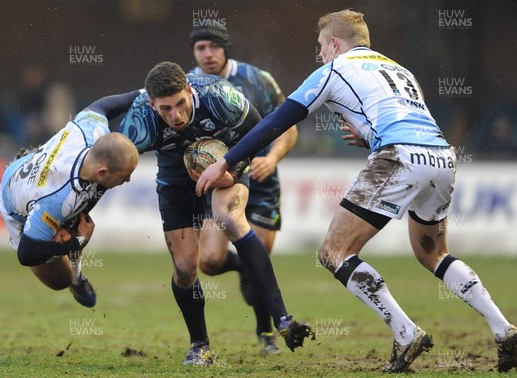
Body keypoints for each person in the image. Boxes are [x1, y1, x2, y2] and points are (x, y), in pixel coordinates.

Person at [196, 9, 517, 373]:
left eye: (321, 46)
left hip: (398, 156)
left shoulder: (333, 69)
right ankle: (503, 328)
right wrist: (368, 138)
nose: (319, 54)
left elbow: (277, 121)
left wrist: (226, 162)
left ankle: (406, 332)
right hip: (442, 156)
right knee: (435, 254)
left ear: (334, 43)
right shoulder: (400, 70)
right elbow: (406, 118)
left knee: (334, 252)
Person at [116, 61, 312, 366]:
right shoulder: (139, 121)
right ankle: (200, 346)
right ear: (152, 105)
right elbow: (112, 162)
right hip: (175, 182)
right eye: (165, 109)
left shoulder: (219, 96)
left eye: (180, 103)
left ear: (190, 90)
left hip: (228, 165)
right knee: (185, 268)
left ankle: (283, 320)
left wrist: (231, 171)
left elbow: (258, 132)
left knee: (229, 218)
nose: (176, 116)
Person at [188, 25, 299, 355]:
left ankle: (265, 332)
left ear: (225, 49)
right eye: (200, 48)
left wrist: (274, 157)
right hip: (221, 182)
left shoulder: (256, 79)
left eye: (213, 47)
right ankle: (243, 266)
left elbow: (287, 125)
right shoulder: (189, 85)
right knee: (208, 261)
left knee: (259, 258)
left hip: (262, 180)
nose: (207, 54)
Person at [0, 91, 141, 307]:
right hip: (17, 205)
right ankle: (74, 278)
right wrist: (77, 242)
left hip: (43, 169)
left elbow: (104, 105)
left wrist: (146, 93)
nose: (128, 180)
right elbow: (27, 254)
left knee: (80, 207)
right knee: (59, 281)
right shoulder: (56, 200)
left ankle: (72, 239)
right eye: (125, 175)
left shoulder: (91, 129)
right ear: (102, 171)